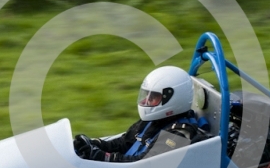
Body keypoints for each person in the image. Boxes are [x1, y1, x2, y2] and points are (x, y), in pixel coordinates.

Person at [73, 66, 209, 162]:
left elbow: (143, 164)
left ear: (173, 98)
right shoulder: (154, 120)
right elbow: (124, 143)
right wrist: (94, 144)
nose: (146, 100)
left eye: (153, 97)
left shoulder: (179, 133)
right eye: (146, 95)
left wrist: (102, 156)